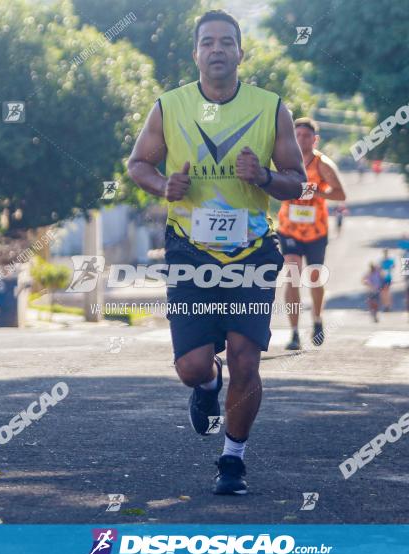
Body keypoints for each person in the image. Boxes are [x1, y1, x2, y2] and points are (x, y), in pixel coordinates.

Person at [126, 10, 306, 495]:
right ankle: (207, 386)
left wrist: (265, 177)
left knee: (247, 359)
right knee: (191, 367)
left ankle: (232, 458)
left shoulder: (272, 109)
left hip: (250, 252)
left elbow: (298, 182)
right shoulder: (170, 105)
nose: (218, 49)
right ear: (197, 53)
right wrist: (165, 184)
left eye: (227, 41)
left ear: (240, 52)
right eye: (208, 42)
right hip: (190, 250)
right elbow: (137, 163)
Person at [277, 117, 347, 351]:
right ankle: (294, 332)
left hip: (316, 230)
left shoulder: (322, 164)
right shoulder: (284, 161)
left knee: (314, 278)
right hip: (289, 228)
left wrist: (318, 192)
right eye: (297, 135)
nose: (301, 139)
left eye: (306, 136)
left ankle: (317, 320)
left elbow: (340, 194)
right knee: (293, 275)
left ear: (315, 139)